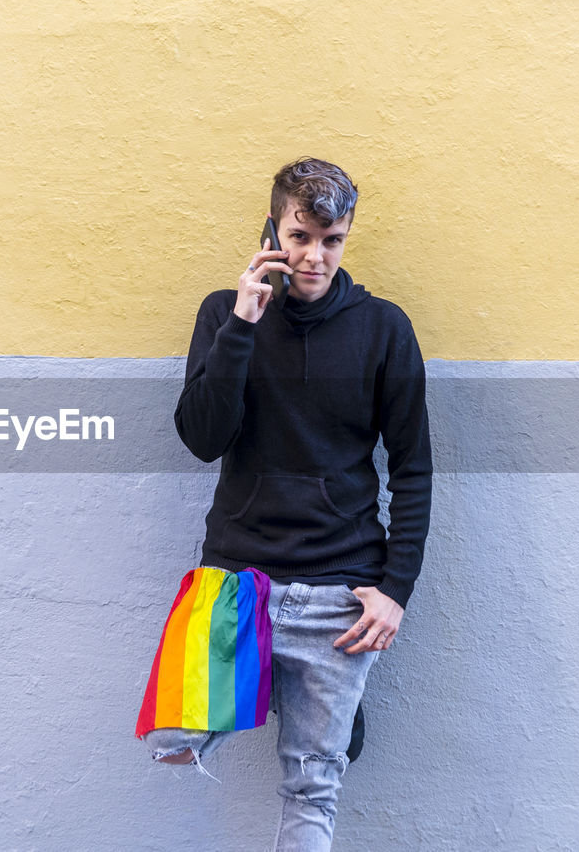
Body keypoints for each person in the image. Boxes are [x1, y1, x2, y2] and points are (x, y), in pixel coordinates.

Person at [145, 157, 432, 850]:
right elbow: (202, 439)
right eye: (300, 236)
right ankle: (252, 704)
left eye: (331, 240)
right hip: (239, 585)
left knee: (313, 785)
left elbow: (414, 467)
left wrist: (395, 590)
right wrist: (243, 322)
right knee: (172, 740)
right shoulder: (224, 311)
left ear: (346, 236)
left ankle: (323, 722)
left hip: (339, 594)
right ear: (274, 226)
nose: (314, 256)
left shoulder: (385, 329)